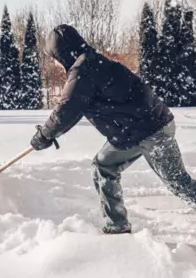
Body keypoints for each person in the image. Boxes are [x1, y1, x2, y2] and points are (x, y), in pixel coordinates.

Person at [30, 24, 196, 234]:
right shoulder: (93, 62)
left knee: (178, 182)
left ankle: (117, 225)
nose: (54, 61)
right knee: (103, 166)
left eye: (54, 56)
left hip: (149, 130)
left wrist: (43, 136)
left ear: (61, 52)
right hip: (137, 129)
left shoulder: (82, 70)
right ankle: (116, 226)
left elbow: (67, 110)